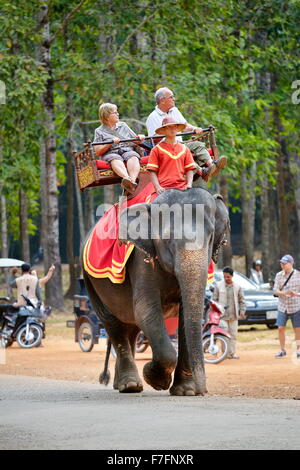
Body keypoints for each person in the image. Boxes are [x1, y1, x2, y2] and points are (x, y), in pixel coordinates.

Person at [146, 87, 227, 182]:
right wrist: (167, 133)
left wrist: (194, 128)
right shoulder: (152, 117)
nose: (174, 99)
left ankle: (212, 165)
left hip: (181, 143)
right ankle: (202, 172)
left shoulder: (174, 110)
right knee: (184, 152)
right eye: (171, 97)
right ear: (162, 100)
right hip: (166, 148)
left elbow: (184, 126)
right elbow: (153, 139)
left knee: (198, 145)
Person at [93, 103, 145, 194]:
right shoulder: (99, 131)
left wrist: (140, 138)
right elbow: (97, 151)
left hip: (126, 150)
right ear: (107, 116)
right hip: (111, 153)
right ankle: (126, 178)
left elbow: (136, 140)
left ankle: (131, 181)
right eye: (115, 112)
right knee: (115, 158)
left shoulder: (123, 125)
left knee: (132, 155)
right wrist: (109, 144)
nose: (118, 114)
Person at [146, 117, 196, 193]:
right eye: (169, 127)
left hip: (182, 188)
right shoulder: (156, 149)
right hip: (163, 189)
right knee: (152, 204)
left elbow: (190, 169)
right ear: (164, 130)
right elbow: (152, 172)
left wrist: (189, 184)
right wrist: (158, 187)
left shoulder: (185, 149)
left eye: (175, 126)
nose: (172, 129)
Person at [212, 266, 246, 359]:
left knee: (233, 335)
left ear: (232, 276)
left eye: (228, 277)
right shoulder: (218, 286)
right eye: (224, 277)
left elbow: (242, 301)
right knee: (224, 334)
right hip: (222, 316)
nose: (226, 278)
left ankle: (232, 353)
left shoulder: (237, 287)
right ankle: (225, 354)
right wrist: (215, 313)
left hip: (234, 316)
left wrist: (242, 311)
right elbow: (214, 300)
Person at [273, 255, 300, 359]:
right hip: (282, 306)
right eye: (281, 263)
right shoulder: (278, 275)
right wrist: (284, 293)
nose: (282, 265)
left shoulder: (298, 275)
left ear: (291, 263)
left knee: (297, 329)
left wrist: (295, 294)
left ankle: (298, 350)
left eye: (285, 263)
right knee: (280, 328)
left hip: (296, 306)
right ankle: (282, 350)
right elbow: (275, 291)